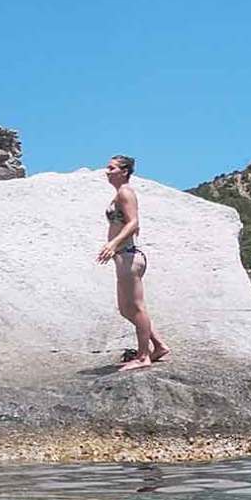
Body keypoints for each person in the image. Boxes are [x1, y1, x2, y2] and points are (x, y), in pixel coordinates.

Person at [98, 155, 171, 371]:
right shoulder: (119, 194)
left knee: (137, 307)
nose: (107, 171)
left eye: (112, 168)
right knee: (126, 309)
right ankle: (158, 346)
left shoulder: (125, 192)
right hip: (123, 257)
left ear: (124, 171)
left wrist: (113, 243)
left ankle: (143, 356)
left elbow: (133, 222)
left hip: (129, 255)